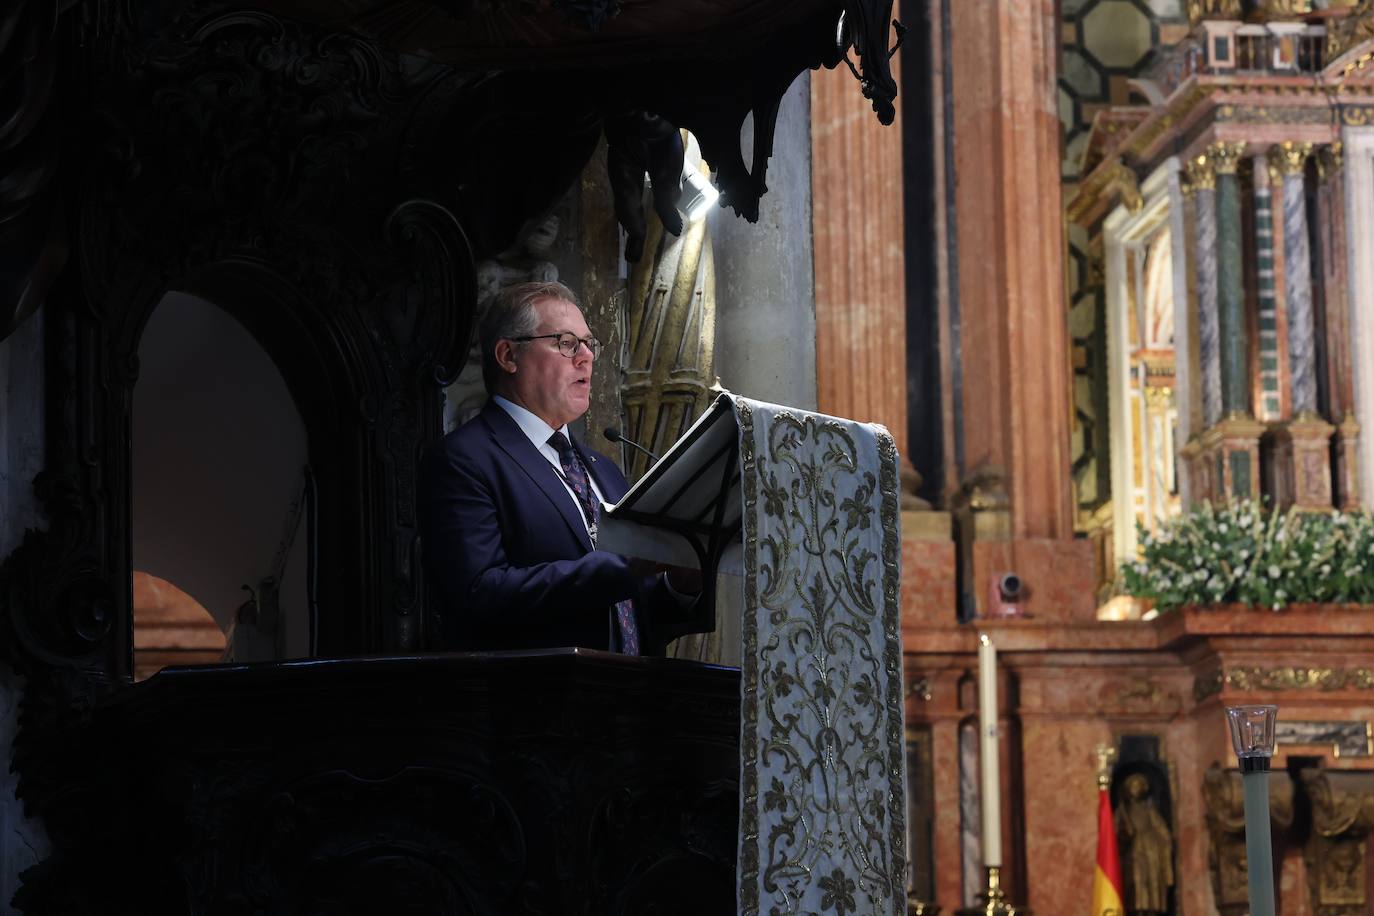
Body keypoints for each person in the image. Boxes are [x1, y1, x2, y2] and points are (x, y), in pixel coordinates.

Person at [421, 280, 701, 653]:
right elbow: (479, 592)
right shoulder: (464, 460)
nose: (586, 357)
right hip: (541, 702)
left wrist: (680, 584)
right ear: (508, 355)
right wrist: (622, 565)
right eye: (567, 343)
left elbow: (633, 617)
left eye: (589, 344)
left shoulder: (605, 471)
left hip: (636, 702)